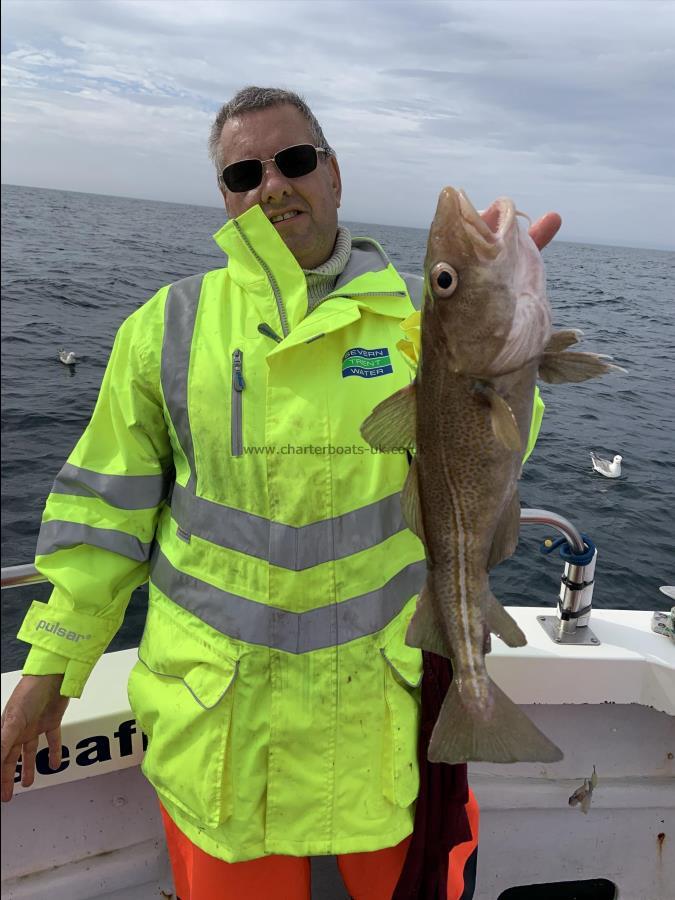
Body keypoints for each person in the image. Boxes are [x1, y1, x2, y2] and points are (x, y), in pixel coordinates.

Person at [0, 86, 561, 900]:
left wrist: (514, 355)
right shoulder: (165, 327)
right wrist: (44, 676)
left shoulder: (418, 319)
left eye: (294, 160)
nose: (272, 184)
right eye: (243, 172)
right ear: (225, 197)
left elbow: (489, 463)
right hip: (221, 752)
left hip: (386, 738)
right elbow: (101, 524)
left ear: (333, 175)